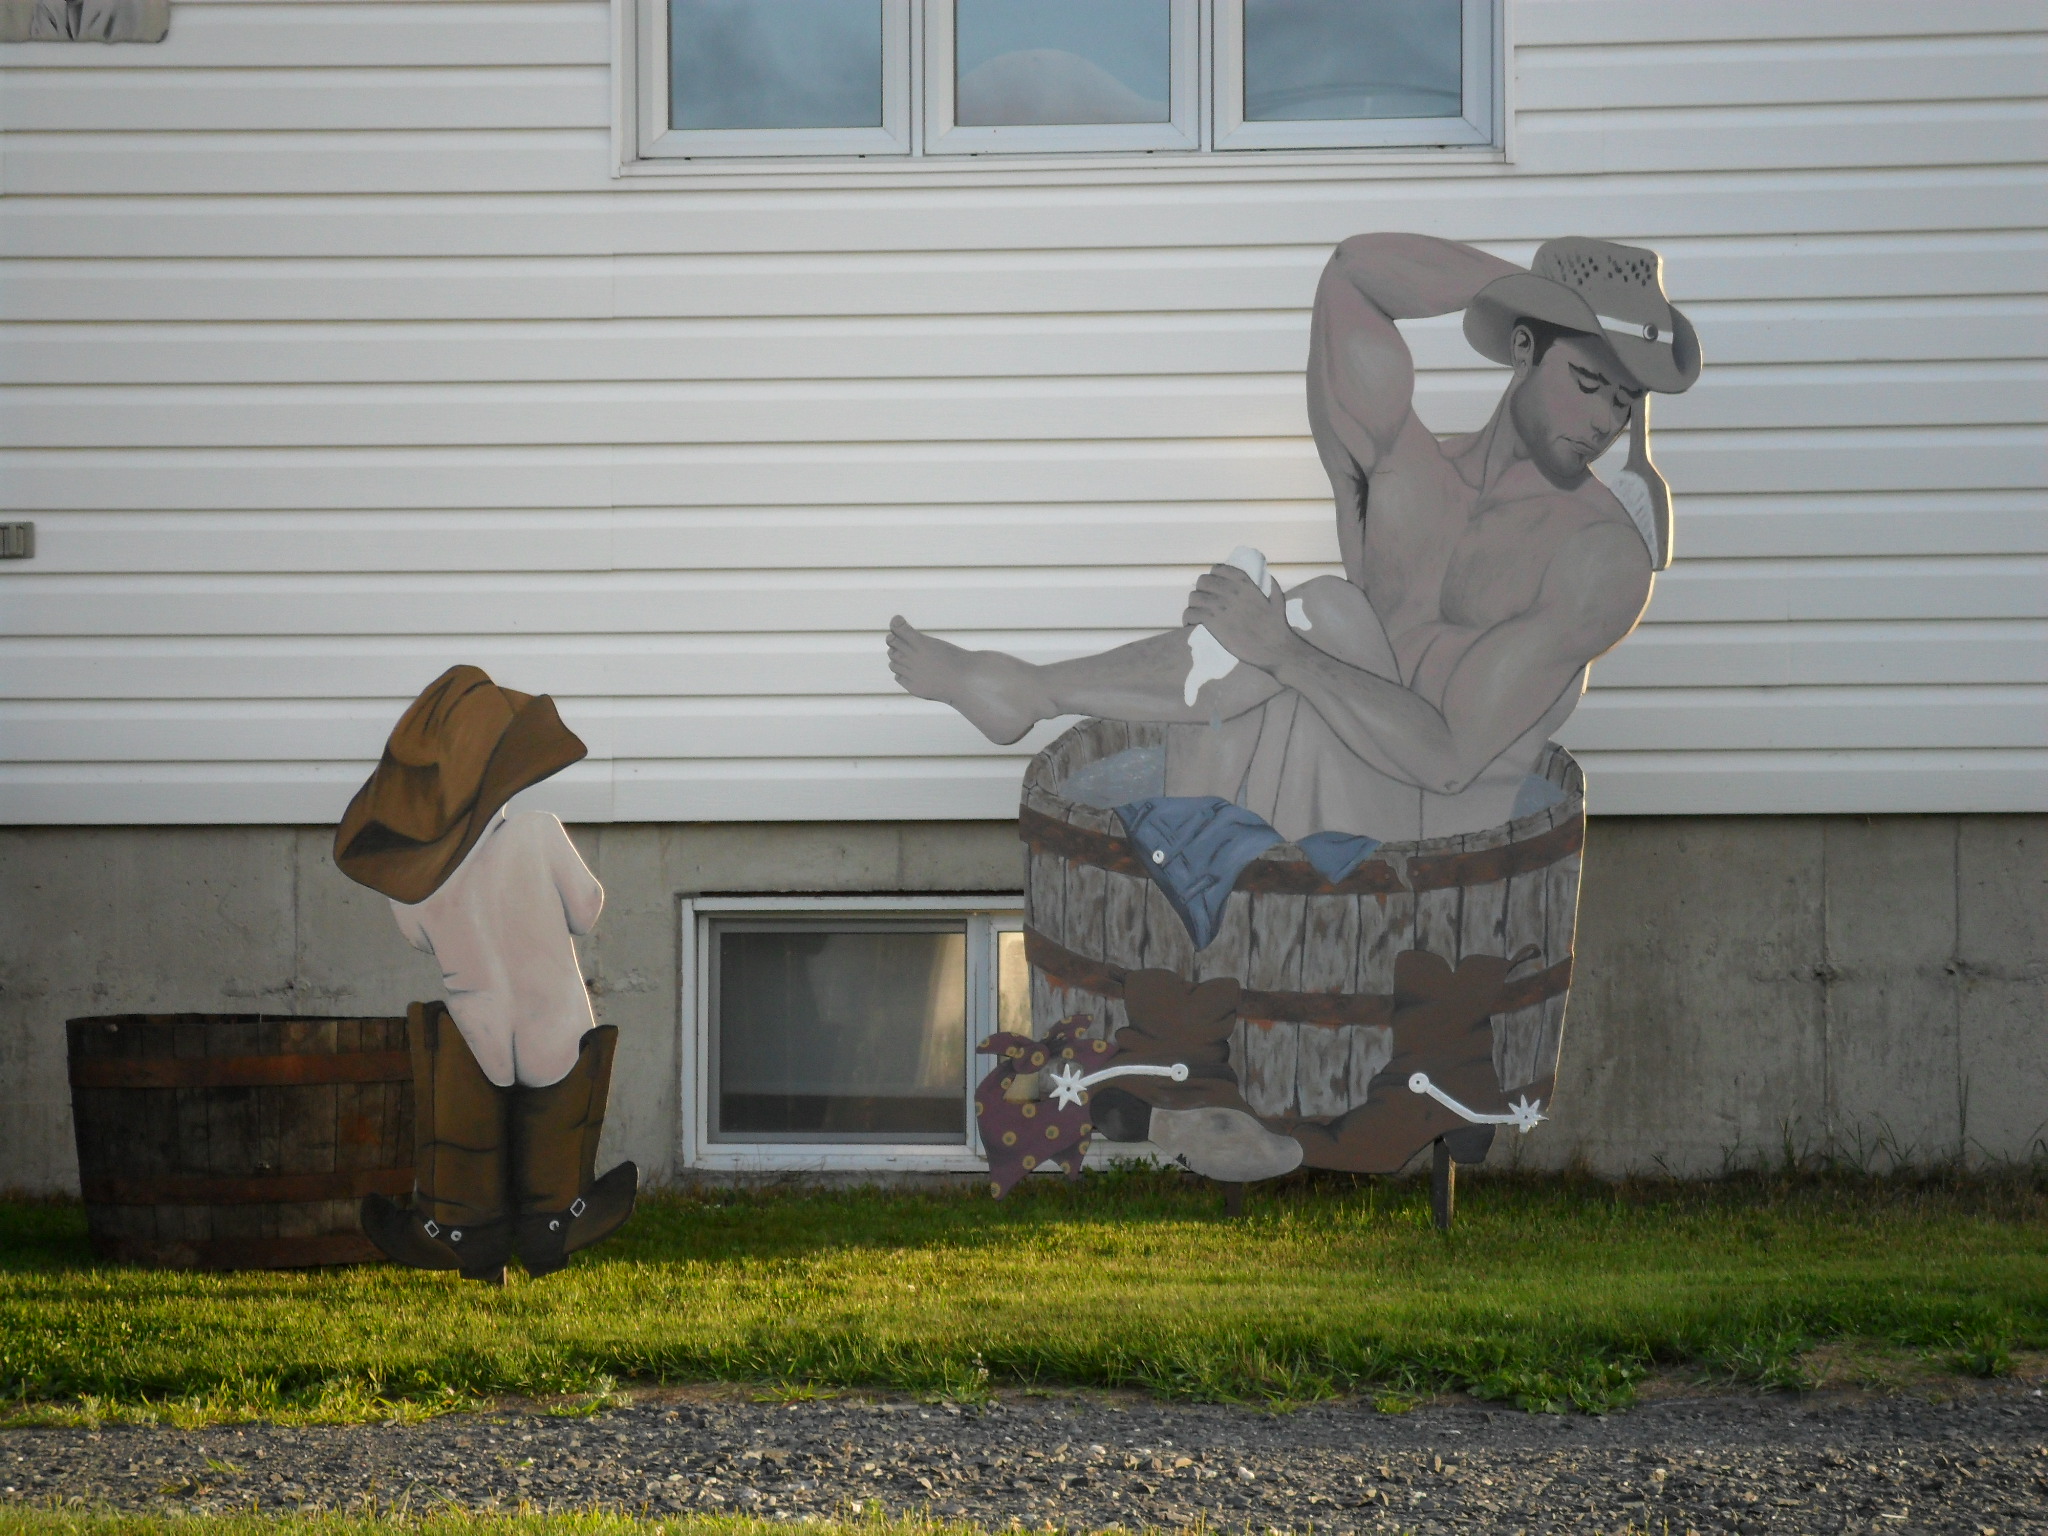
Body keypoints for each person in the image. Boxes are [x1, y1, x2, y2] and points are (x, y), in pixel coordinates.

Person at [888, 235, 1701, 843]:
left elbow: (1450, 758)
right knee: (1254, 626)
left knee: (1322, 617)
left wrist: (1283, 651)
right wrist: (1515, 286)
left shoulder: (1601, 557)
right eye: (1589, 382)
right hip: (1313, 793)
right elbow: (1351, 277)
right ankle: (1184, 891)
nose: (1603, 422)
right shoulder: (1406, 472)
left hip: (1434, 845)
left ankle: (1034, 692)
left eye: (1624, 403)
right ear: (1524, 349)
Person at [334, 665, 637, 1284]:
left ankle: (462, 1233)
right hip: (553, 1014)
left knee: (469, 1145)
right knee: (552, 1132)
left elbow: (417, 939)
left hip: (476, 1027)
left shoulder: (411, 883)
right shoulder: (537, 832)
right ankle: (557, 1222)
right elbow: (587, 910)